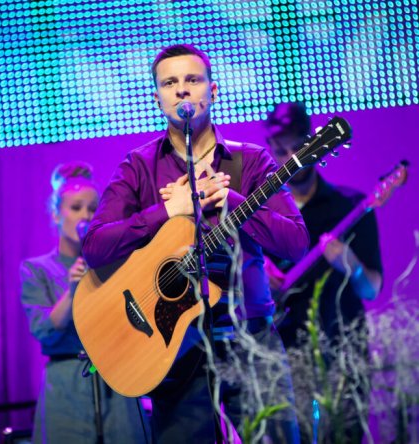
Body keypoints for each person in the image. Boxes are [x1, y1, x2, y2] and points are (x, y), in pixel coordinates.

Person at [82, 44, 309, 444]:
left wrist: (232, 201)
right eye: (170, 83)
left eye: (192, 79)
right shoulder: (138, 166)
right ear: (157, 98)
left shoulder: (252, 160)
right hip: (173, 347)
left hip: (249, 338)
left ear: (213, 91)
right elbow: (96, 246)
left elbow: (296, 243)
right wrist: (167, 212)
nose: (182, 89)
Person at [264, 102, 383, 443]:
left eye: (297, 147)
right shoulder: (262, 213)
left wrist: (350, 264)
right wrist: (257, 276)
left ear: (313, 143)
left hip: (343, 348)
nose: (291, 158)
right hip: (284, 351)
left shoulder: (350, 206)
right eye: (280, 151)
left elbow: (371, 289)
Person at [20, 162, 150, 443]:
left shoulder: (113, 263)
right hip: (66, 385)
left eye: (92, 209)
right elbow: (43, 330)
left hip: (115, 379)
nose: (85, 216)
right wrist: (72, 291)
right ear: (56, 214)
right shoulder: (37, 269)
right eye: (76, 208)